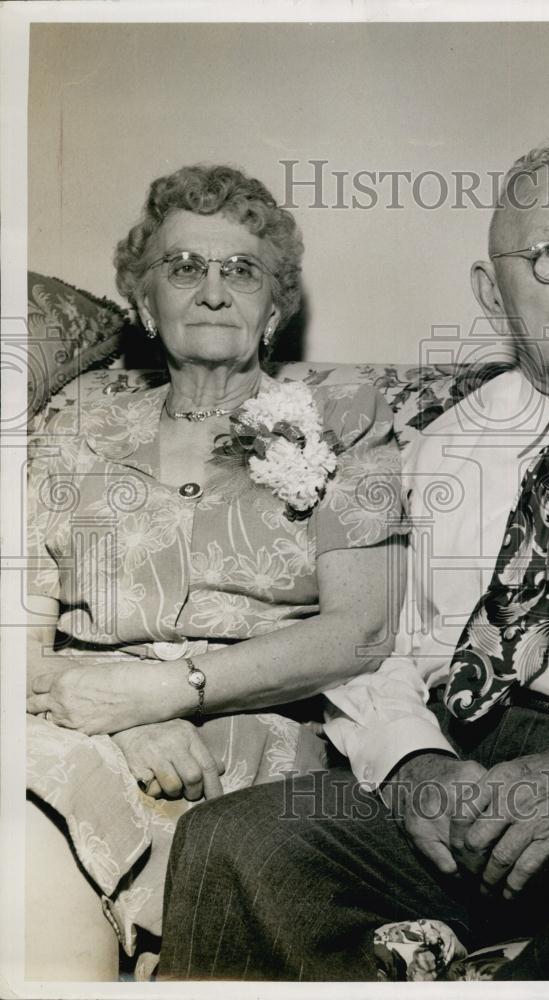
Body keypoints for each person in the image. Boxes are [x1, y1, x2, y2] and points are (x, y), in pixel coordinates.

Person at [158, 144, 549, 981]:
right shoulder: (444, 445)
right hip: (455, 754)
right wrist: (416, 766)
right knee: (232, 842)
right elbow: (378, 640)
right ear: (493, 293)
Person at [24, 164, 406, 980]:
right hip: (78, 723)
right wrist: (123, 715)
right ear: (142, 300)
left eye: (241, 270)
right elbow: (13, 637)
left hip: (243, 744)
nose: (211, 290)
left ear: (276, 308)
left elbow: (363, 631)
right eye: (184, 267)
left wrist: (172, 691)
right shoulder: (76, 425)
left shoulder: (343, 412)